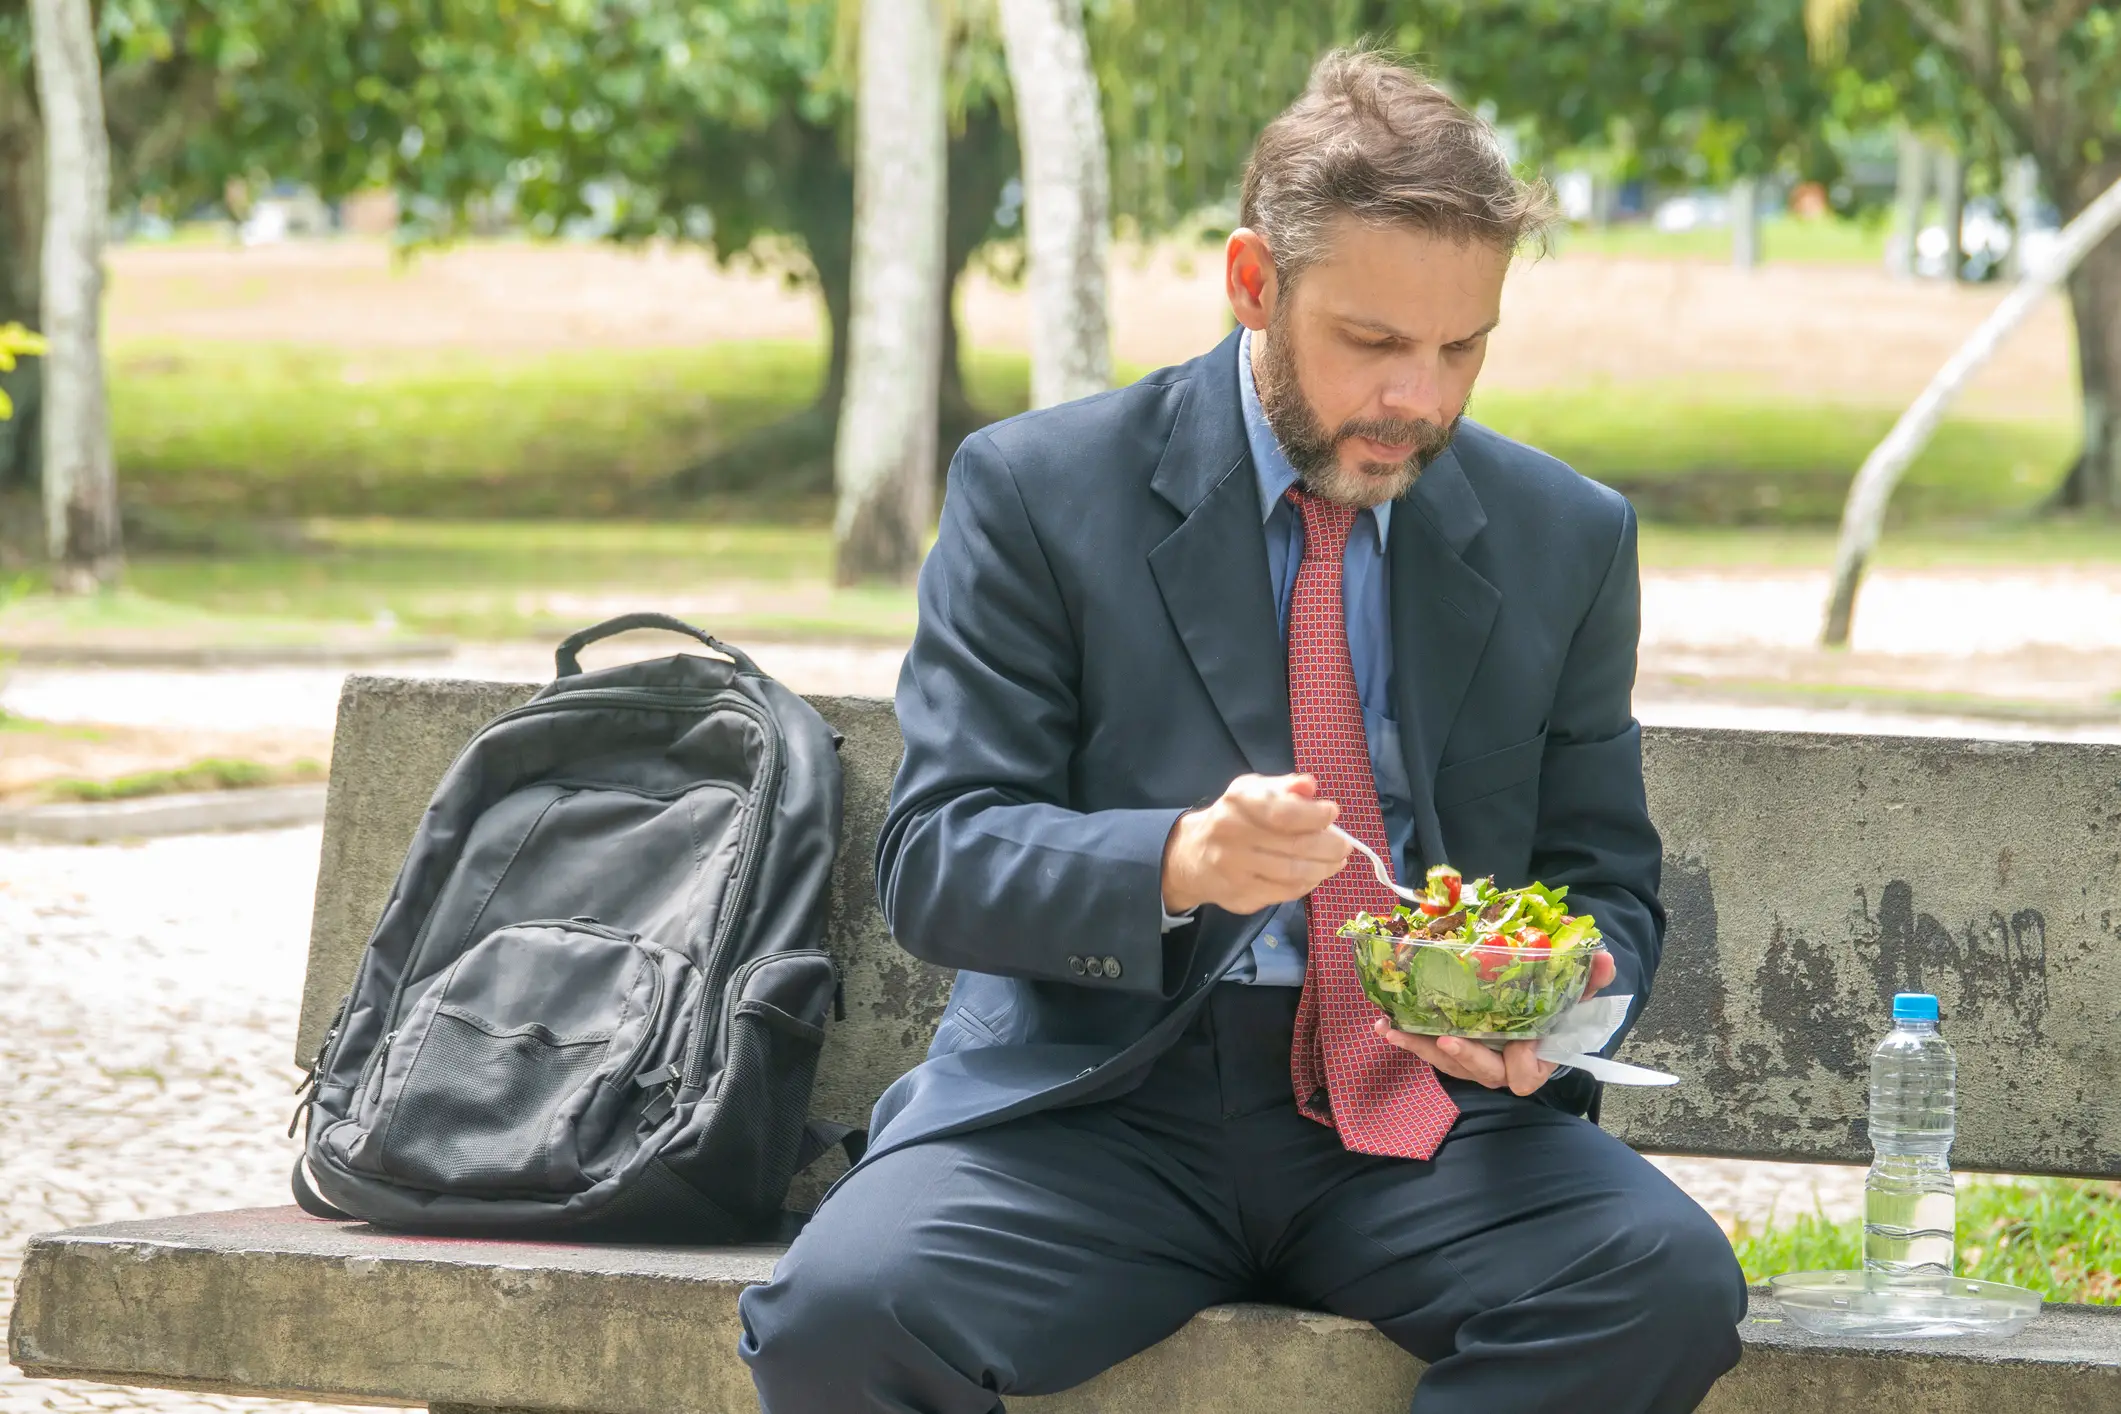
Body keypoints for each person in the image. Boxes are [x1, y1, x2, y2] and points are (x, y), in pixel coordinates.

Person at [739, 48, 1747, 1414]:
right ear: (1253, 284)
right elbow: (937, 854)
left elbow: (1605, 883)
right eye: (1376, 344)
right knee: (839, 1318)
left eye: (1464, 348)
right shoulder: (1039, 493)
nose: (1422, 401)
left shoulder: (1565, 535)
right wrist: (1176, 859)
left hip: (1427, 1122)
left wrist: (1549, 1007)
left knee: (1660, 1281)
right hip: (1096, 1110)